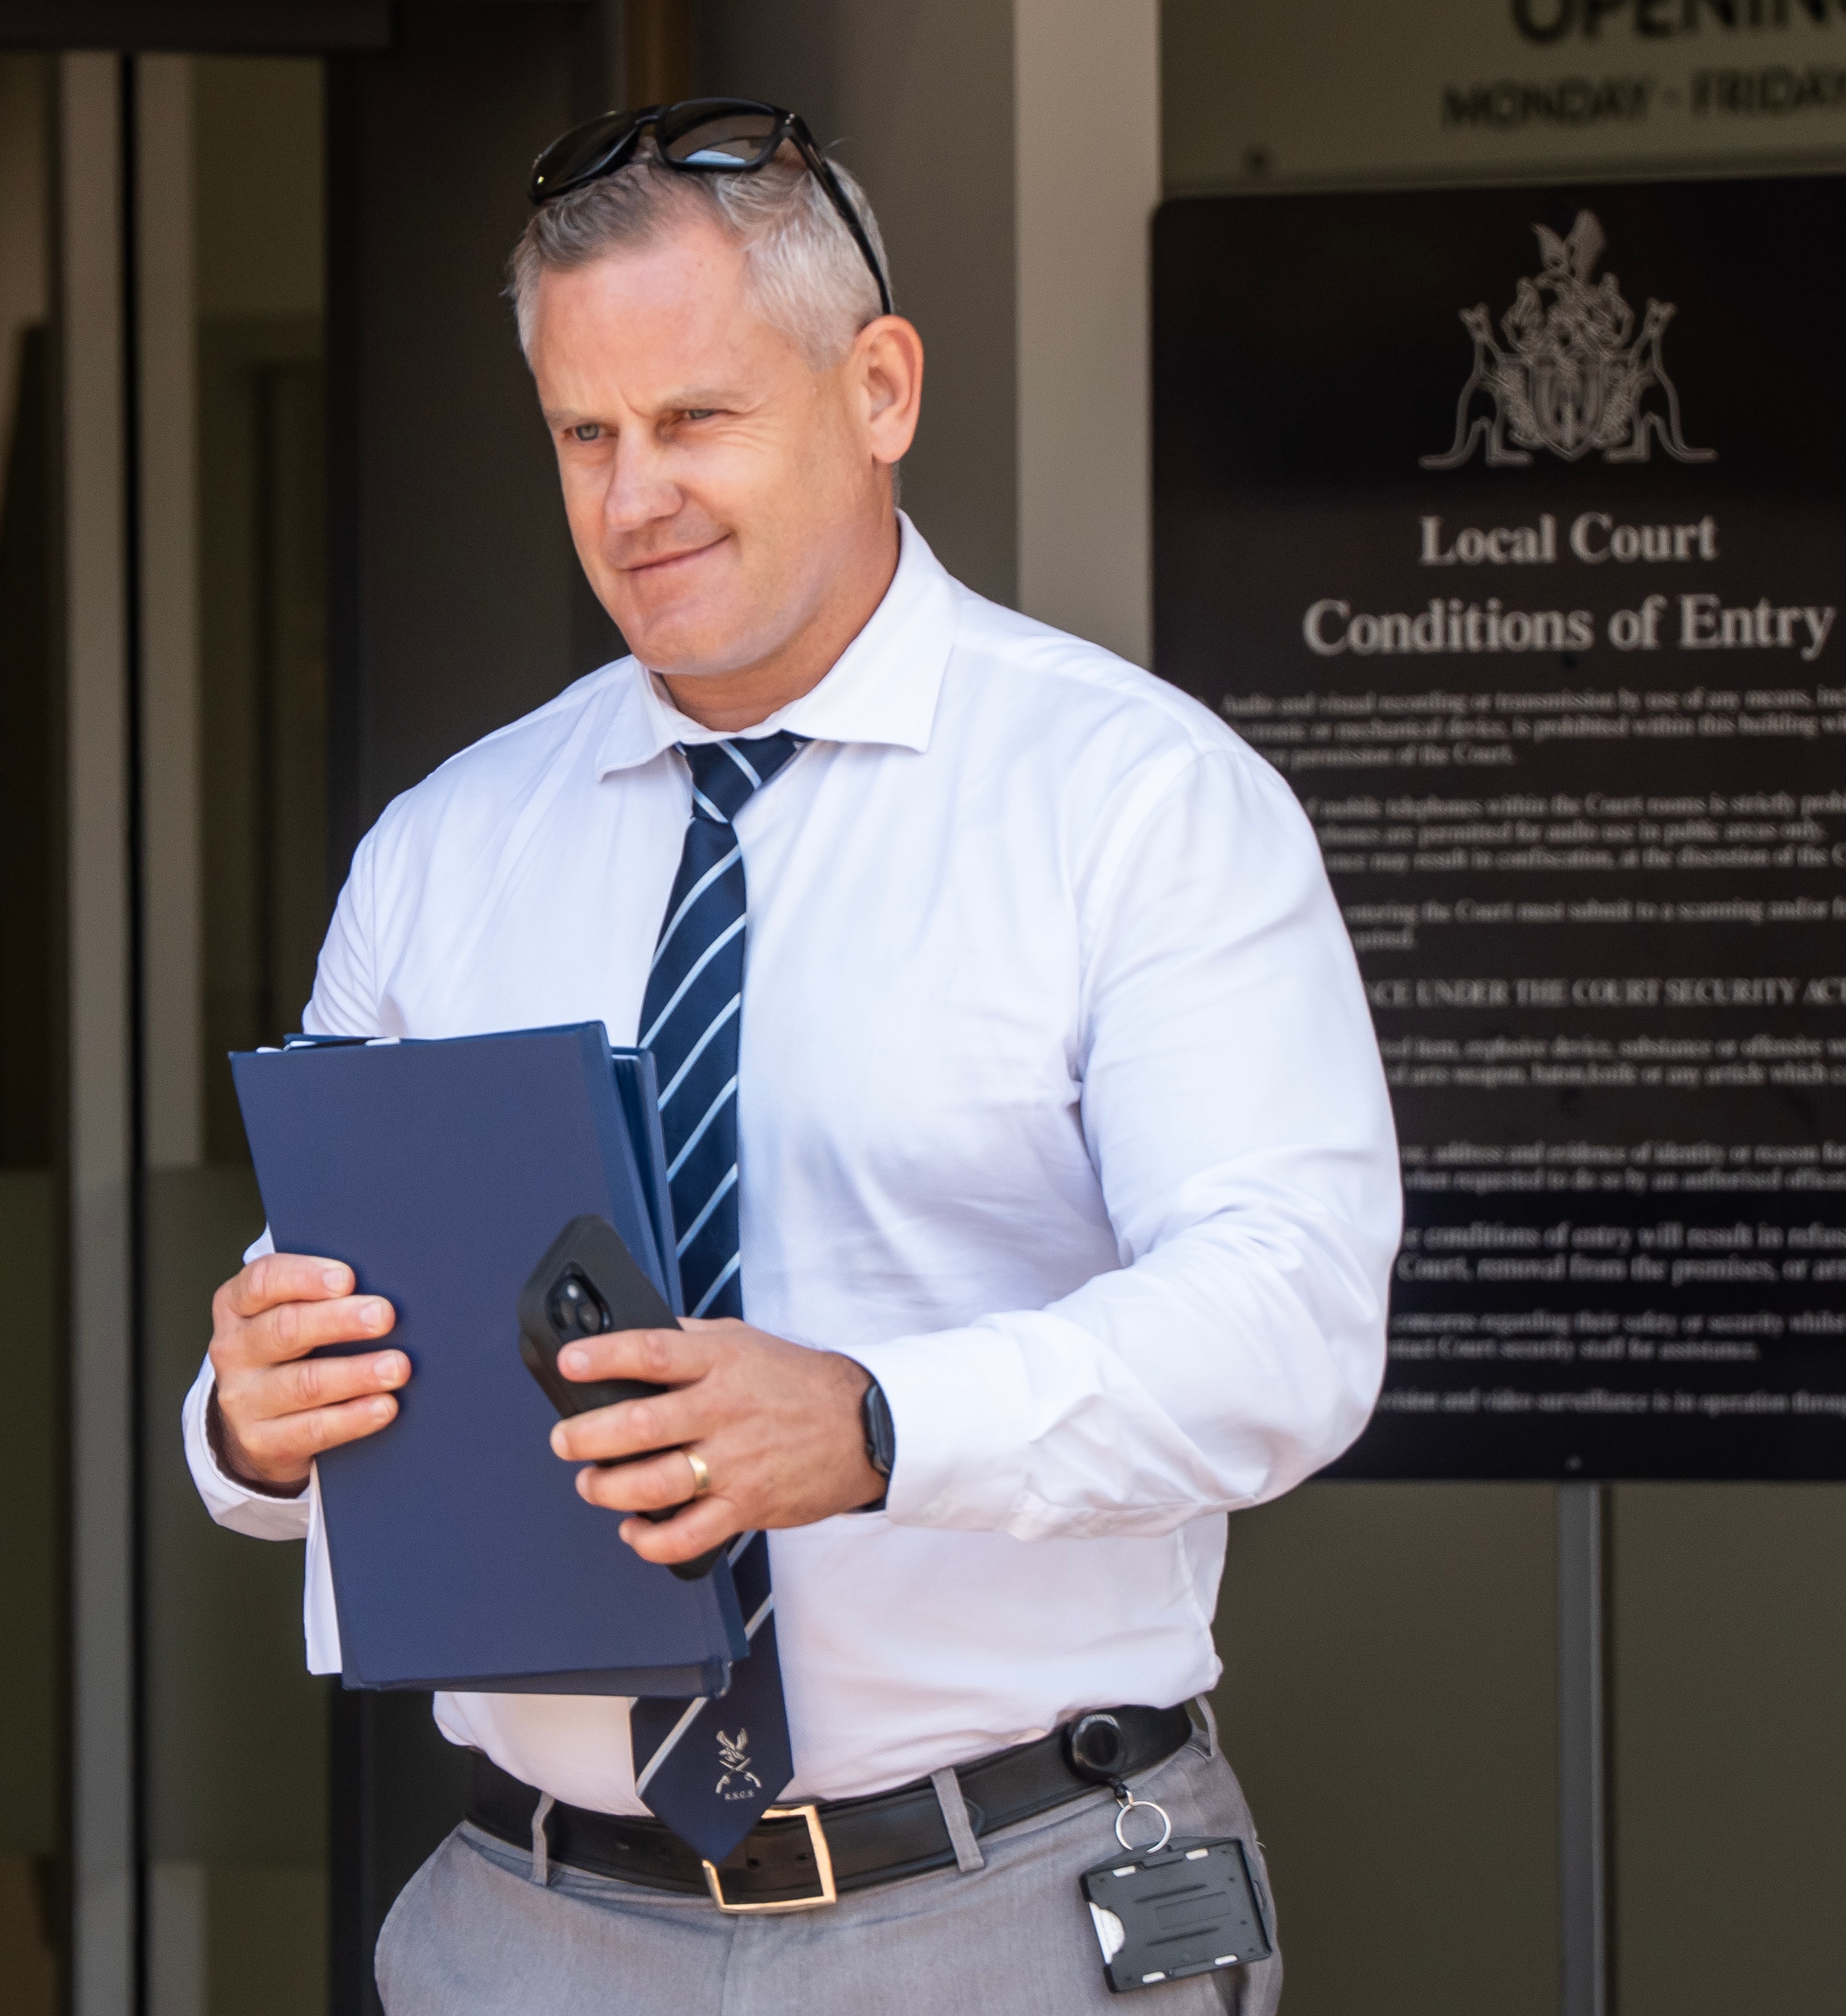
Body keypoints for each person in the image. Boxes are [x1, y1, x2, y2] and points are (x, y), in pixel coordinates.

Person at [185, 99, 1396, 2013]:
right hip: (532, 1930)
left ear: (882, 387)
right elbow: (293, 1359)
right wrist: (247, 1416)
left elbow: (1290, 1330)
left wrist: (871, 1422)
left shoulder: (1137, 799)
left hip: (1006, 1906)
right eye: (585, 434)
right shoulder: (443, 848)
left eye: (695, 419)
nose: (632, 493)